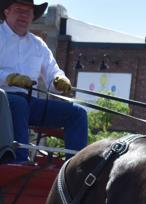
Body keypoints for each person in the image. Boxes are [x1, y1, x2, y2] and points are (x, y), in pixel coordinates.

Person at [0, 0, 87, 162]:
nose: (24, 15)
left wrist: (58, 80)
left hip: (28, 103)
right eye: (19, 10)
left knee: (77, 113)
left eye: (29, 12)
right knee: (18, 104)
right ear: (6, 11)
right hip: (3, 103)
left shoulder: (38, 44)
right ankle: (19, 160)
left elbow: (52, 71)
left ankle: (77, 167)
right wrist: (9, 78)